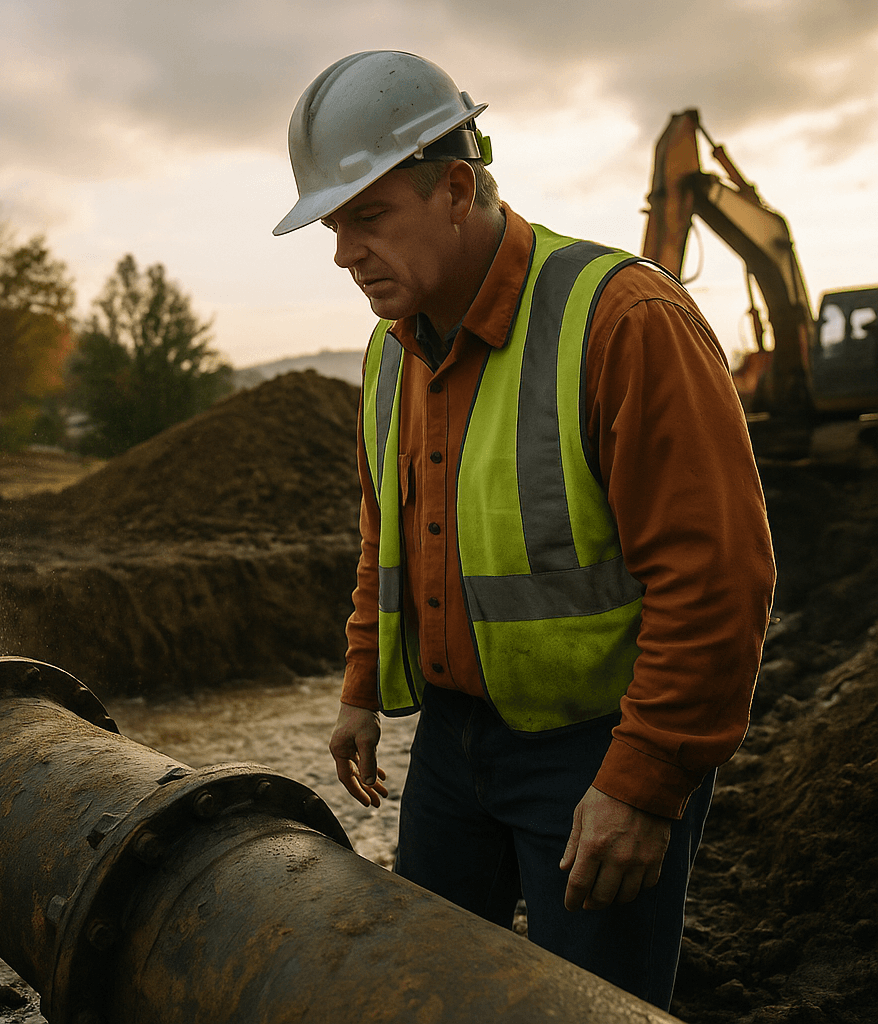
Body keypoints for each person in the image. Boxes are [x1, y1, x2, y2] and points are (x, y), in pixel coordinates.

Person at [273, 51, 776, 1009]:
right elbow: (388, 537)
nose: (344, 253)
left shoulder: (623, 320)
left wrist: (642, 783)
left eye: (367, 217)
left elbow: (718, 578)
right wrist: (358, 688)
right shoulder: (392, 353)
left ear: (455, 188)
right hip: (455, 747)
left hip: (597, 749)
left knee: (591, 1004)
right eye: (334, 225)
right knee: (420, 991)